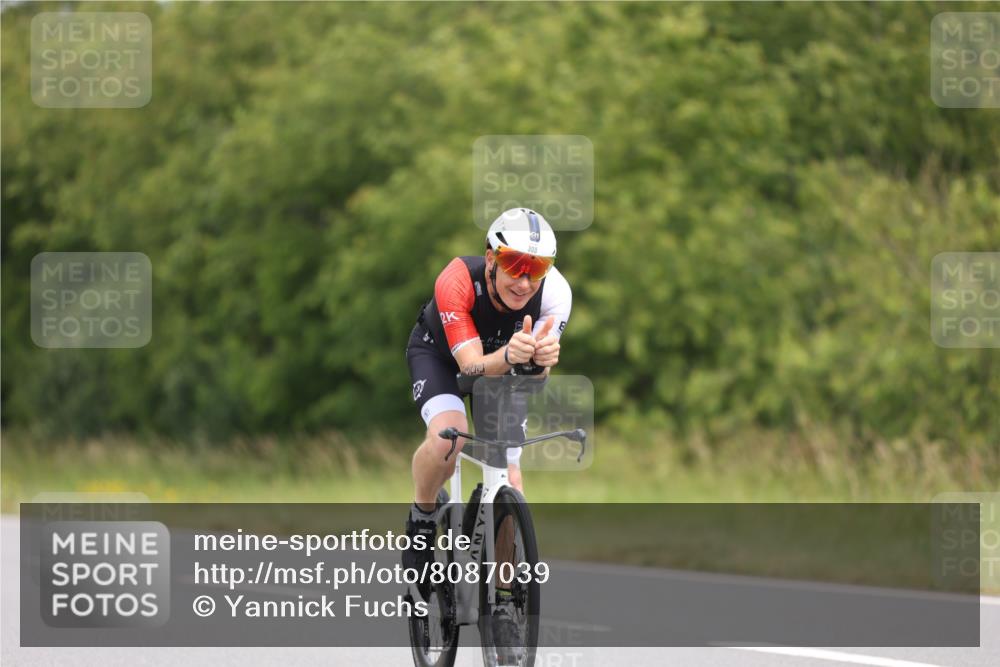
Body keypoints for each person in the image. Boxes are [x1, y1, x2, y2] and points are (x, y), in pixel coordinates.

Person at [402, 208, 572, 649]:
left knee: (510, 477)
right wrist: (515, 357)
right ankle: (422, 516)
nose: (524, 281)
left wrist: (539, 363)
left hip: (503, 372)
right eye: (515, 264)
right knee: (448, 438)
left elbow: (534, 376)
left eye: (536, 269)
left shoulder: (555, 294)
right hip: (443, 358)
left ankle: (502, 597)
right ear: (491, 259)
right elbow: (471, 366)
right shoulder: (457, 280)